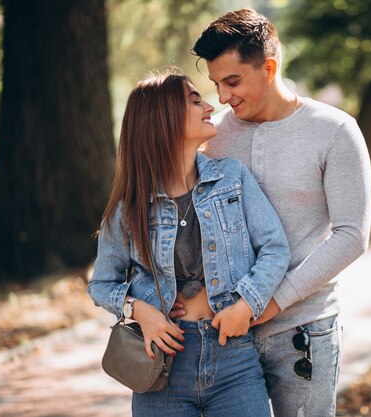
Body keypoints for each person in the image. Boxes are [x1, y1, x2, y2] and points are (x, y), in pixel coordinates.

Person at [174, 8, 371, 417]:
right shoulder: (214, 135)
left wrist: (270, 302)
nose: (224, 97)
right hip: (223, 335)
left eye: (233, 81)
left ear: (268, 67)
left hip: (302, 330)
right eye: (216, 84)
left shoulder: (335, 131)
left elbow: (352, 236)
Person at [87, 69, 290, 417]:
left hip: (234, 359)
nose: (211, 106)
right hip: (161, 366)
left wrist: (246, 305)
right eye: (195, 100)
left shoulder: (231, 178)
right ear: (162, 119)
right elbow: (102, 284)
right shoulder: (131, 206)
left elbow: (275, 248)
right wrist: (141, 310)